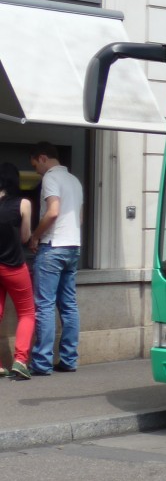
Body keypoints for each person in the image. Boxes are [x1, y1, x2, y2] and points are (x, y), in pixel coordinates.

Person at [26, 141, 84, 376]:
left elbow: (53, 211)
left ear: (42, 158)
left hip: (53, 246)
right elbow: (79, 219)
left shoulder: (51, 178)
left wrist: (35, 236)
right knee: (69, 305)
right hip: (73, 246)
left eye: (35, 166)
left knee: (45, 305)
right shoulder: (74, 181)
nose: (36, 171)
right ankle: (69, 359)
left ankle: (41, 363)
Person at [0, 162, 35, 379]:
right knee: (27, 312)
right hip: (14, 266)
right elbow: (25, 237)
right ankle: (20, 361)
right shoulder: (23, 203)